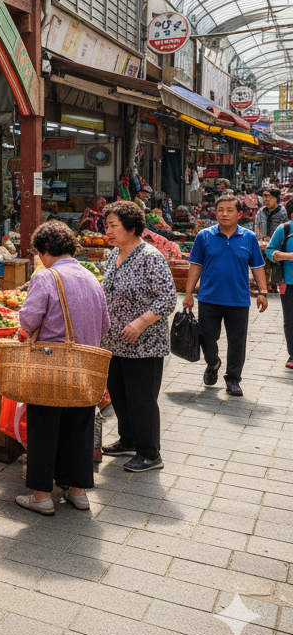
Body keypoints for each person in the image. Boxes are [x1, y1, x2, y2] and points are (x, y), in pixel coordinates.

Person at [16, 221, 110, 515]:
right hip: (86, 367)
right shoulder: (91, 277)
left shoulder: (47, 277)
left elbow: (28, 320)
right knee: (79, 426)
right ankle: (78, 492)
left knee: (44, 425)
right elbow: (105, 324)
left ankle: (42, 497)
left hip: (51, 364)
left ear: (45, 250)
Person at [100, 201, 177, 472]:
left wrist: (141, 322)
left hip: (144, 344)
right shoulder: (113, 255)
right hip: (113, 342)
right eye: (106, 225)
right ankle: (128, 440)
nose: (107, 230)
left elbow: (168, 299)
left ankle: (150, 453)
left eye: (113, 226)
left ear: (131, 228)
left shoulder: (150, 257)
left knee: (142, 399)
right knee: (119, 395)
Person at [184, 193, 267, 397]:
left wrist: (262, 292)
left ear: (239, 214)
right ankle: (213, 364)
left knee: (237, 342)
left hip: (238, 300)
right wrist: (188, 295)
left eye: (229, 210)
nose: (224, 214)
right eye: (220, 210)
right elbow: (195, 266)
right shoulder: (204, 236)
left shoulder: (248, 238)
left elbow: (257, 266)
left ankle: (233, 380)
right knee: (206, 337)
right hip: (208, 298)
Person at [265, 218, 293, 370]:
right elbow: (270, 250)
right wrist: (286, 256)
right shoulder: (285, 229)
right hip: (288, 282)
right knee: (290, 320)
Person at [256, 186, 287, 290]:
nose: (266, 200)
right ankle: (264, 286)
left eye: (269, 197)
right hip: (263, 244)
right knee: (263, 266)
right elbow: (257, 228)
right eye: (264, 197)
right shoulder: (261, 212)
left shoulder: (282, 212)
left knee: (277, 267)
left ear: (275, 198)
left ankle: (274, 285)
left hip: (278, 245)